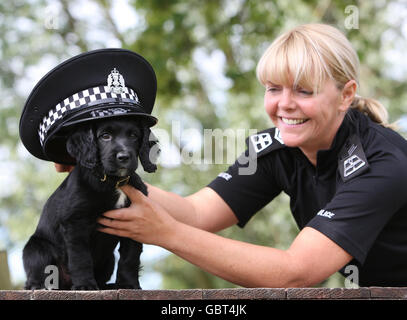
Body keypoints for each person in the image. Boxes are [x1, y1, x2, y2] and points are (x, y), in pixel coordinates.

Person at [69, 23, 407, 287]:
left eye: (304, 91)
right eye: (274, 88)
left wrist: (166, 233)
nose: (284, 104)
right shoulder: (278, 147)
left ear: (346, 95)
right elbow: (197, 212)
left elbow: (296, 271)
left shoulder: (383, 163)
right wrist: (106, 171)